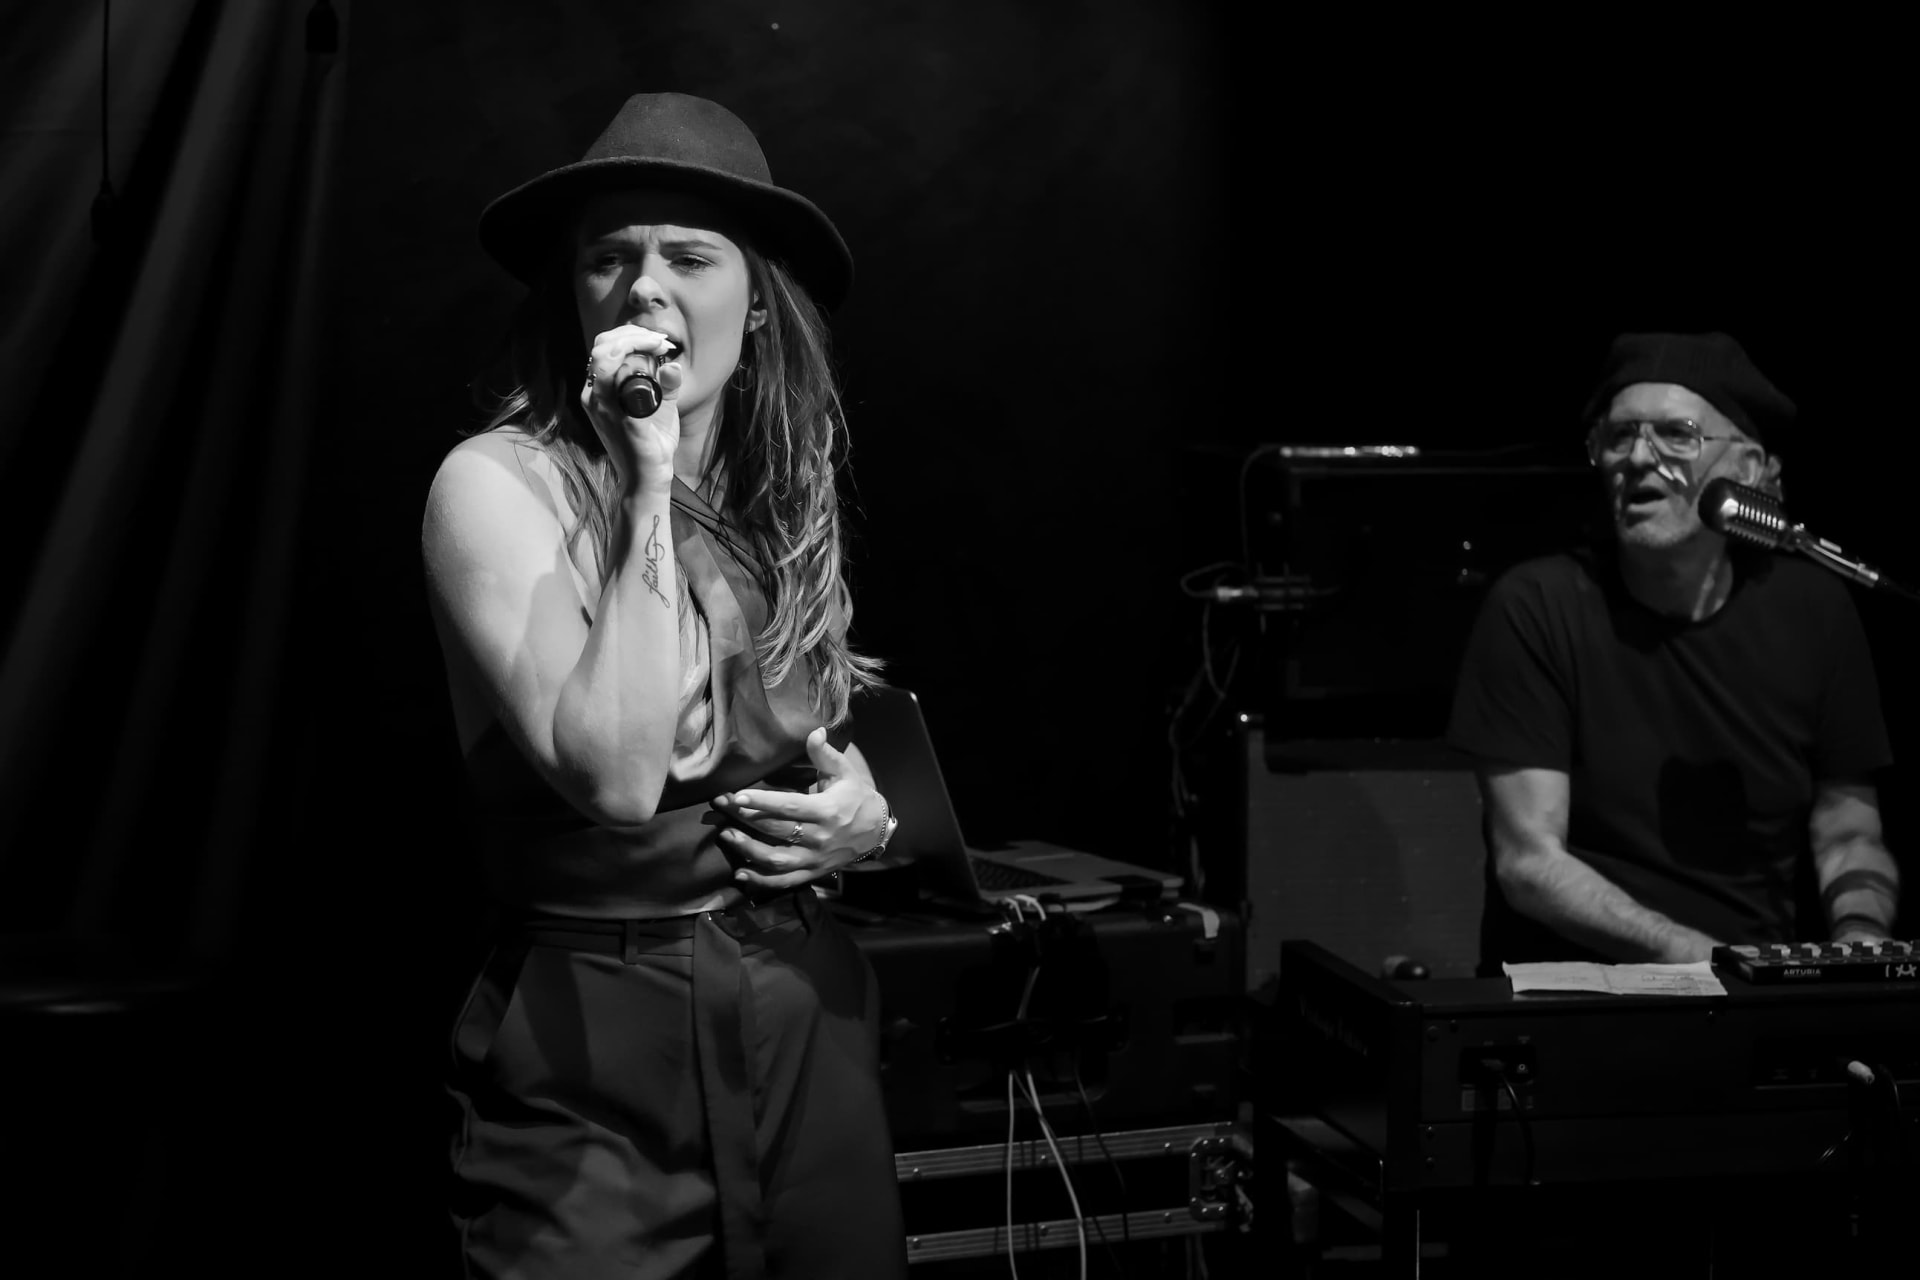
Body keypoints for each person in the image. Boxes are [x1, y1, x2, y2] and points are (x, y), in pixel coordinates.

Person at [421, 92, 907, 1278]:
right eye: (609, 258)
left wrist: (865, 821)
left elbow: (821, 739)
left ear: (758, 298)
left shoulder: (779, 496)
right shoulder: (497, 484)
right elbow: (620, 776)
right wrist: (645, 481)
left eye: (689, 258)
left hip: (802, 1006)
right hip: (598, 1031)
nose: (645, 287)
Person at [1449, 331, 1900, 968]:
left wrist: (1861, 939)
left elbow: (1848, 831)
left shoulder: (1814, 609)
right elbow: (1529, 863)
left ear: (1748, 469)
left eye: (1675, 434)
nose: (1638, 457)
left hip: (1751, 990)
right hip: (1579, 992)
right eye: (1619, 436)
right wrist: (1707, 962)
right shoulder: (1538, 606)